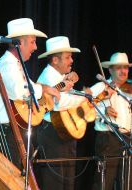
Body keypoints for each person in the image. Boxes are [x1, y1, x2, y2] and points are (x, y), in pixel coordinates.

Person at [0, 18, 60, 169]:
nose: (35, 47)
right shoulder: (7, 64)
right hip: (4, 134)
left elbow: (32, 87)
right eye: (32, 42)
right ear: (19, 43)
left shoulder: (16, 65)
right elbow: (22, 91)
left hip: (13, 131)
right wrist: (44, 89)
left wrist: (48, 89)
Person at [36, 36, 88, 190]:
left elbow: (68, 96)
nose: (71, 60)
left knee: (67, 182)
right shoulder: (48, 77)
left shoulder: (60, 77)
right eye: (67, 57)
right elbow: (60, 102)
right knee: (55, 182)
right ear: (55, 60)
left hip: (63, 133)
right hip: (52, 135)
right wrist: (83, 98)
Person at [90, 52, 132, 190]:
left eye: (125, 68)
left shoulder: (129, 90)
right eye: (119, 68)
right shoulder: (101, 87)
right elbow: (84, 107)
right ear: (110, 70)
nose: (123, 71)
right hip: (108, 139)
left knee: (125, 182)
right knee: (104, 182)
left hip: (126, 139)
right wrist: (103, 111)